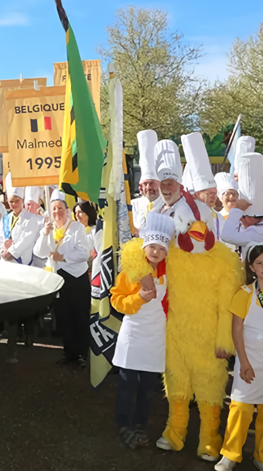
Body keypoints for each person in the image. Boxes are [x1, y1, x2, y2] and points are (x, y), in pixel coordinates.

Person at [154, 138, 243, 461]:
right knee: (176, 379)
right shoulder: (166, 236)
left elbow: (226, 302)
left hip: (206, 327)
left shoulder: (222, 263)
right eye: (162, 182)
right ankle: (174, 433)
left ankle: (209, 439)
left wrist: (224, 339)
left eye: (171, 182)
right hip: (175, 320)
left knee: (208, 384)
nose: (193, 232)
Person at [110, 213, 175, 449]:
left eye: (161, 248)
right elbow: (116, 301)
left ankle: (140, 424)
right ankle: (124, 425)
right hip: (133, 336)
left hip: (156, 339)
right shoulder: (131, 272)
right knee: (127, 385)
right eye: (152, 246)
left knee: (148, 388)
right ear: (144, 246)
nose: (156, 252)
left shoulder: (171, 274)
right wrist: (138, 298)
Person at [215, 244, 263, 471]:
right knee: (241, 408)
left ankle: (261, 456)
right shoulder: (244, 294)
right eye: (260, 263)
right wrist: (243, 362)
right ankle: (230, 455)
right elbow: (237, 329)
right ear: (252, 267)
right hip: (250, 361)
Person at [34, 189, 91, 367]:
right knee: (63, 317)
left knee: (79, 317)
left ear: (66, 210)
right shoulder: (49, 229)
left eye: (60, 208)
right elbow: (39, 252)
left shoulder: (76, 228)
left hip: (76, 278)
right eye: (54, 209)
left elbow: (84, 253)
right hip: (58, 279)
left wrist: (64, 257)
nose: (57, 212)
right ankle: (69, 353)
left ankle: (82, 355)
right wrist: (44, 234)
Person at [0, 173, 41, 266]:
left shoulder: (31, 218)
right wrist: (2, 250)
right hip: (5, 261)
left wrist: (11, 252)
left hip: (21, 262)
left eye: (17, 201)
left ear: (22, 200)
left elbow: (27, 240)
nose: (14, 204)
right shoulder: (6, 218)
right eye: (11, 201)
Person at [132, 130, 164, 235]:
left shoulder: (167, 206)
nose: (148, 187)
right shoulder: (133, 205)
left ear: (159, 183)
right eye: (145, 184)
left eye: (152, 183)